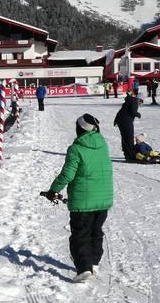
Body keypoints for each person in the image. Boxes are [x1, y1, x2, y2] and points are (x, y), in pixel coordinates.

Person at [43, 114, 113, 283]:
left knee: (80, 235)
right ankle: (94, 263)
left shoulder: (76, 149)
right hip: (103, 200)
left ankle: (84, 269)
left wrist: (53, 190)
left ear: (80, 129)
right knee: (96, 232)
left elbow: (68, 174)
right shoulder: (102, 145)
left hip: (83, 201)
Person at [113, 93, 141, 162]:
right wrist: (138, 114)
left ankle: (127, 154)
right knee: (129, 138)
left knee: (124, 138)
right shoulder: (135, 101)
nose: (140, 104)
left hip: (121, 121)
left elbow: (121, 111)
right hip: (126, 121)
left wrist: (116, 120)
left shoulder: (129, 101)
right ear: (140, 99)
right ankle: (131, 156)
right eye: (141, 101)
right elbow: (133, 112)